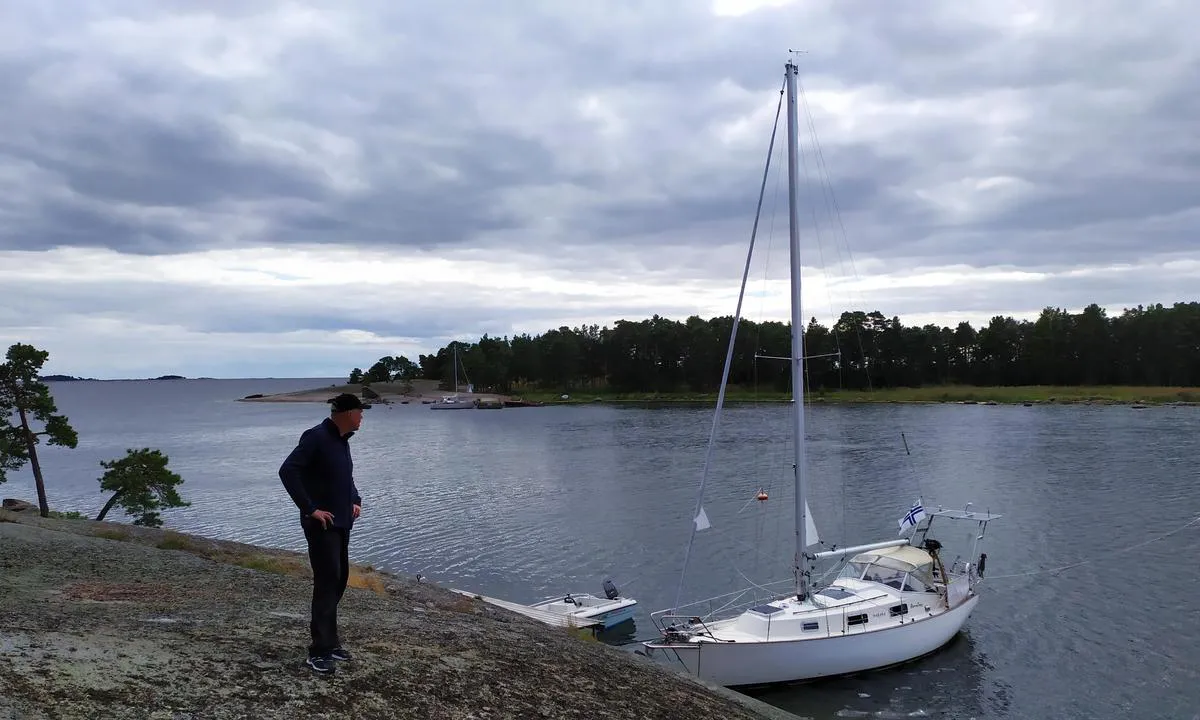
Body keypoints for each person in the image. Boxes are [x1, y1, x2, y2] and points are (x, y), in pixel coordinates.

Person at [278, 392, 369, 674]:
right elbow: (288, 471)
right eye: (359, 411)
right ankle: (318, 651)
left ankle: (330, 643)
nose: (362, 416)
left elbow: (346, 478)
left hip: (342, 522)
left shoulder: (341, 441)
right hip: (322, 526)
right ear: (345, 413)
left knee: (339, 580)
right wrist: (310, 509)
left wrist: (355, 499)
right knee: (327, 583)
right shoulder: (316, 437)